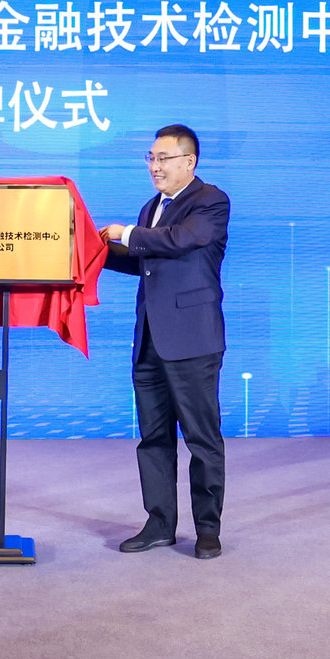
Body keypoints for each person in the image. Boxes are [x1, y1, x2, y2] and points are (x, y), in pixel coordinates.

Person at [99, 124, 231, 559]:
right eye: (150, 158)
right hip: (150, 339)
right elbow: (145, 261)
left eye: (163, 158)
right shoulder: (150, 207)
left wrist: (125, 234)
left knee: (201, 438)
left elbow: (181, 241)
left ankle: (208, 529)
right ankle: (159, 524)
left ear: (188, 162)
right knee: (153, 437)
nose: (154, 167)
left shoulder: (210, 201)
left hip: (193, 339)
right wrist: (93, 251)